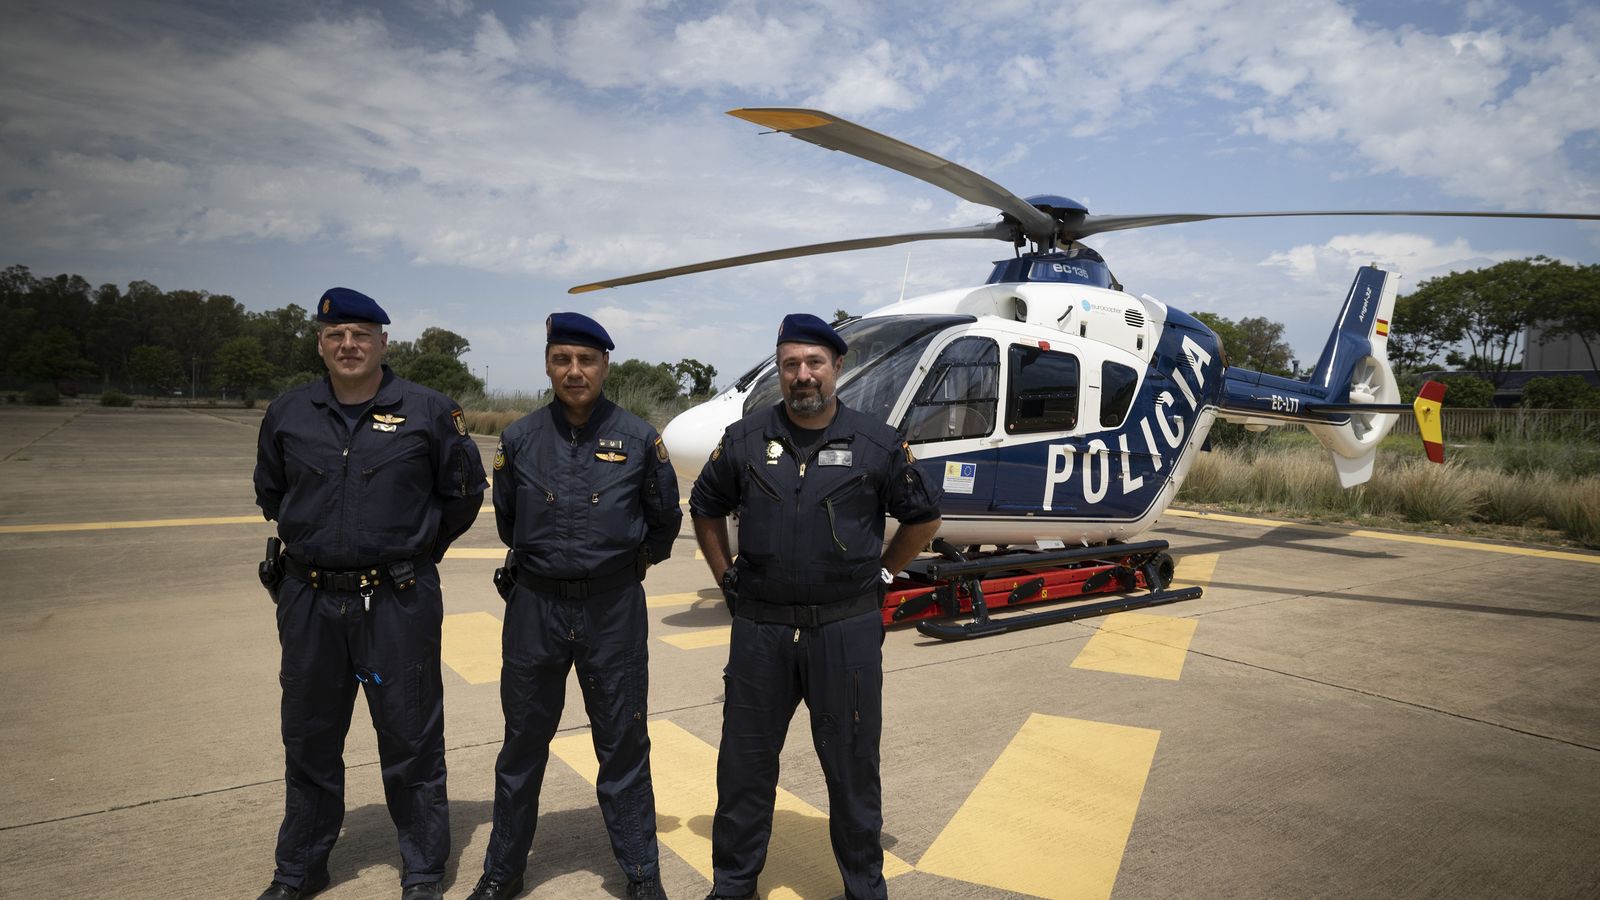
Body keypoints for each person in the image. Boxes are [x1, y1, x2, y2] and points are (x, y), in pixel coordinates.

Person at [689, 314, 942, 900]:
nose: (802, 376)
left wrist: (884, 572)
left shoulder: (877, 442)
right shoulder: (747, 438)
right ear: (779, 370)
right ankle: (733, 886)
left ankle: (863, 887)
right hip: (761, 632)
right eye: (790, 365)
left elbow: (922, 517)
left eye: (814, 364)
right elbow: (705, 508)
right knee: (744, 770)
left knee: (853, 771)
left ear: (837, 369)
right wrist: (726, 580)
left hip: (845, 632)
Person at [252, 288, 487, 900]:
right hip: (309, 601)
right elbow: (273, 494)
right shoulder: (288, 411)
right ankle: (299, 868)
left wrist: (411, 550)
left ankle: (424, 872)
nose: (348, 345)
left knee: (410, 740)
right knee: (308, 738)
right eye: (336, 335)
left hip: (397, 602)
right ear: (321, 343)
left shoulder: (431, 411)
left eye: (361, 334)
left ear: (384, 342)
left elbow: (463, 495)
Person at [467, 313, 682, 900]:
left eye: (586, 360)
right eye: (562, 359)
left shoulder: (639, 438)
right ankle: (502, 871)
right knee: (521, 746)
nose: (574, 370)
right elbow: (509, 521)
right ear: (547, 364)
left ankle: (641, 875)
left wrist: (622, 566)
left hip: (612, 609)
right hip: (534, 606)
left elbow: (665, 520)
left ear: (605, 366)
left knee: (623, 746)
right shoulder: (519, 439)